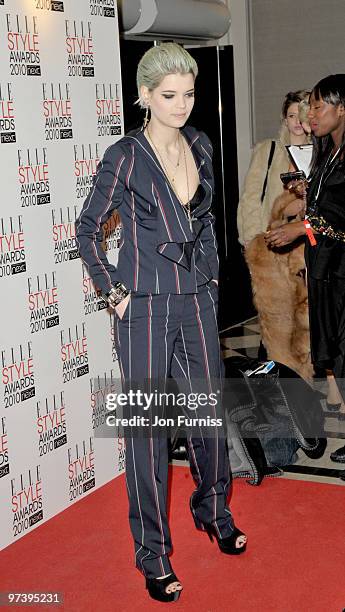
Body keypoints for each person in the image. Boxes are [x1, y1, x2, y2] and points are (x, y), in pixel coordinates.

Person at [76, 42, 247, 603]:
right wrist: (115, 294)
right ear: (145, 96)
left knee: (208, 416)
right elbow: (87, 229)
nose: (182, 104)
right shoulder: (125, 155)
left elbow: (205, 222)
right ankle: (152, 552)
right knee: (148, 435)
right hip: (144, 307)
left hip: (197, 301)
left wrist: (213, 282)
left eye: (189, 93)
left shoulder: (201, 144)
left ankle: (214, 511)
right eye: (169, 95)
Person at [265, 74, 345, 460]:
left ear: (341, 107)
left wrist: (302, 225)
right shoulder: (329, 151)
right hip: (327, 266)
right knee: (336, 349)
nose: (311, 115)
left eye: (317, 106)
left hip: (340, 267)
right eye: (308, 108)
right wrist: (307, 197)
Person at [237, 90, 311, 248]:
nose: (297, 121)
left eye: (301, 115)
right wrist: (252, 238)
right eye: (292, 116)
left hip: (305, 240)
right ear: (285, 120)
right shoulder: (268, 149)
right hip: (270, 237)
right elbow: (251, 196)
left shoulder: (318, 154)